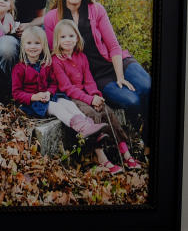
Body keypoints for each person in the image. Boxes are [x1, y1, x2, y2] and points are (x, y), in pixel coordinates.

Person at [43, 0, 151, 137]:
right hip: (96, 76)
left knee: (147, 86)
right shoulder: (52, 17)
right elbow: (54, 54)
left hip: (116, 62)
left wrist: (120, 76)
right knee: (132, 101)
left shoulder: (96, 10)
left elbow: (114, 46)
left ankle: (150, 137)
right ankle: (138, 129)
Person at [50, 20, 142, 174]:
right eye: (63, 37)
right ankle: (101, 157)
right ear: (57, 40)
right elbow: (67, 88)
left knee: (107, 111)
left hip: (87, 95)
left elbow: (89, 80)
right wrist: (89, 100)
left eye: (71, 35)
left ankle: (125, 153)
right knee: (92, 114)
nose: (68, 40)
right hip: (70, 98)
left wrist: (95, 95)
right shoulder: (57, 60)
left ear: (77, 38)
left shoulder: (82, 57)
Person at [11, 26, 106, 139]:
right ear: (23, 45)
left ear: (43, 45)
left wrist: (49, 93)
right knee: (57, 108)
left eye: (37, 43)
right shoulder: (19, 68)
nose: (33, 47)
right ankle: (81, 128)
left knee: (68, 104)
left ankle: (89, 126)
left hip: (49, 97)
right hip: (33, 104)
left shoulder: (46, 64)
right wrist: (34, 97)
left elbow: (53, 84)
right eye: (29, 43)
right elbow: (16, 93)